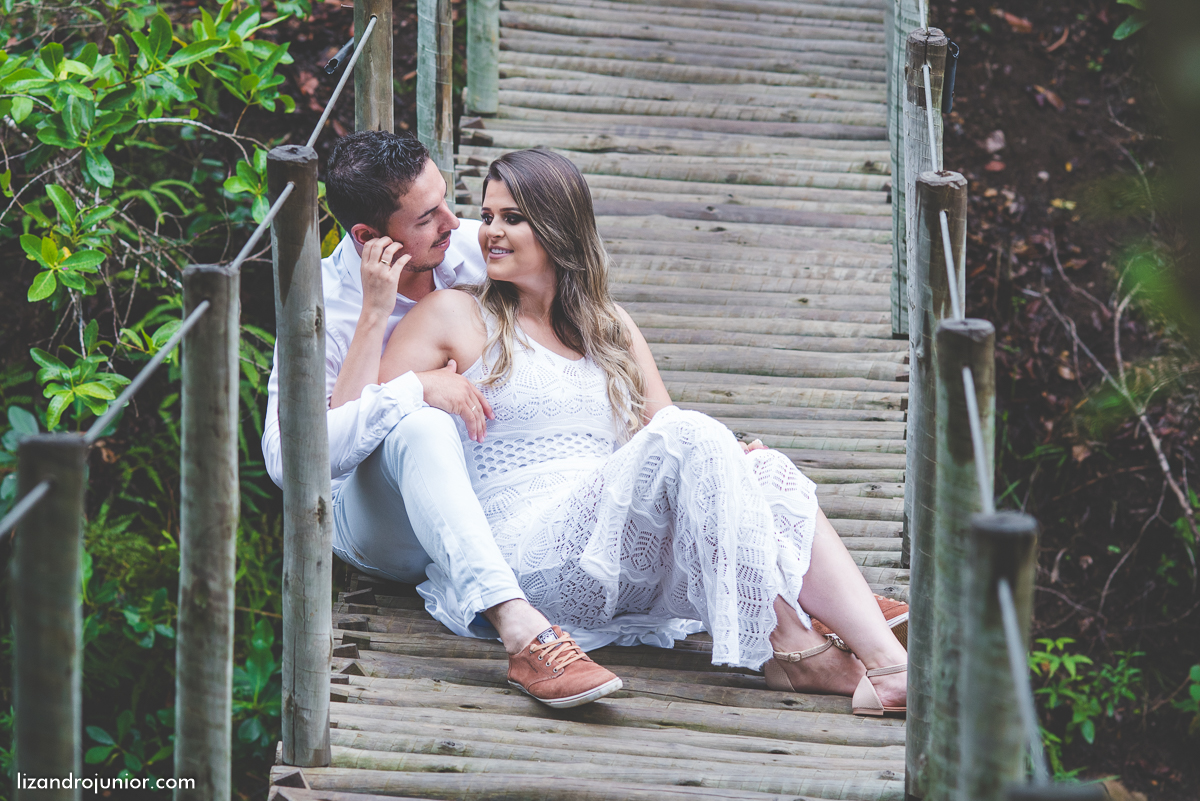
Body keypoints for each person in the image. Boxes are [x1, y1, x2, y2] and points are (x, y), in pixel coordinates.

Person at [376, 148, 909, 716]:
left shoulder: (609, 324)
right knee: (694, 435)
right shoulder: (453, 312)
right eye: (488, 216)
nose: (490, 233)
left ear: (558, 227)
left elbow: (662, 433)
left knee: (761, 466)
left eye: (513, 217)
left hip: (619, 548)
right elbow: (364, 415)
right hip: (529, 554)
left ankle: (884, 665)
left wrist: (734, 465)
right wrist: (422, 384)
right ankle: (797, 645)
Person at [261, 132, 624, 709]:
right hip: (379, 521)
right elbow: (295, 464)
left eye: (448, 202)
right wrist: (403, 370)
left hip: (492, 499)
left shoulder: (470, 254)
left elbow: (582, 317)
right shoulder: (319, 303)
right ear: (367, 238)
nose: (454, 223)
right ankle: (521, 633)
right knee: (420, 423)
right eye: (427, 218)